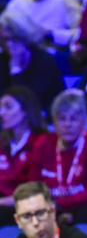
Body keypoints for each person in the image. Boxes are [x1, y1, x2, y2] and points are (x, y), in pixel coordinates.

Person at [29, 89, 87, 223]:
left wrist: (60, 204)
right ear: (54, 122)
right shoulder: (43, 144)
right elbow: (33, 185)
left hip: (83, 207)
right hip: (49, 206)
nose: (67, 125)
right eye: (62, 119)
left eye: (73, 119)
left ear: (84, 121)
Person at [0, 86, 47, 224]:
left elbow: (35, 189)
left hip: (27, 205)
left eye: (8, 107)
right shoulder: (2, 143)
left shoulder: (43, 142)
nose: (1, 112)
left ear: (26, 110)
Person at [0, 16, 65, 113]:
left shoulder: (44, 61)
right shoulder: (2, 60)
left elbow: (29, 103)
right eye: (3, 40)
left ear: (23, 37)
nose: (8, 45)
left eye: (11, 39)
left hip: (45, 119)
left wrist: (15, 70)